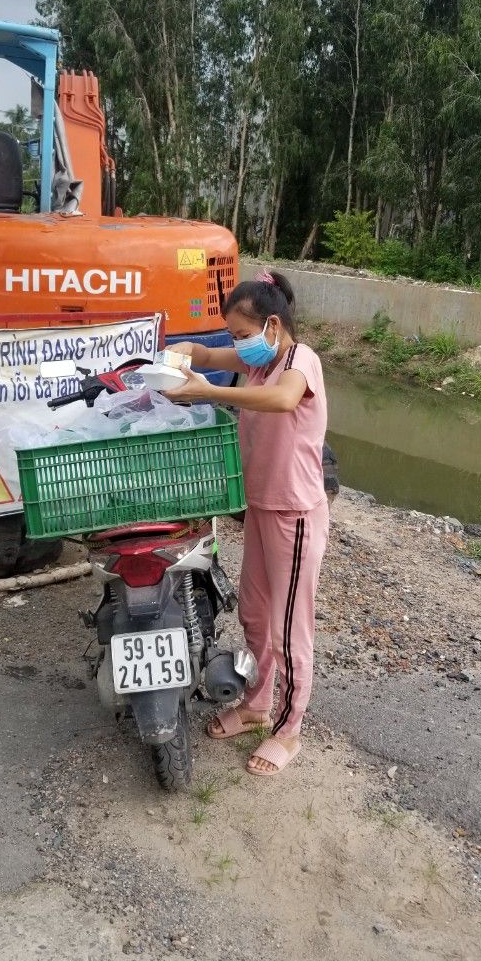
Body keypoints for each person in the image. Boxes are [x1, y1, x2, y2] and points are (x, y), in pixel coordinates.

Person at [166, 269, 329, 778]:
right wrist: (183, 350)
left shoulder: (300, 362)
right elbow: (209, 356)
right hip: (260, 507)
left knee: (288, 626)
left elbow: (283, 400)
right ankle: (258, 704)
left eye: (242, 334)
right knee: (255, 614)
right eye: (233, 335)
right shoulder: (260, 362)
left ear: (272, 326)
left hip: (295, 513)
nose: (238, 344)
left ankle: (289, 729)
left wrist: (211, 394)